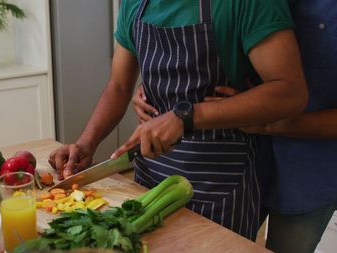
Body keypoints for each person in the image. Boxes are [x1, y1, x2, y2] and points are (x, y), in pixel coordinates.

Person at [48, 0, 308, 240]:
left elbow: (291, 93)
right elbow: (118, 85)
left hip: (221, 183)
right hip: (150, 180)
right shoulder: (136, 4)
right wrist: (86, 143)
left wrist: (187, 117)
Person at [132, 0, 336, 251]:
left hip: (308, 171)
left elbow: (289, 91)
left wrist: (271, 126)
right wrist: (159, 88)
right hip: (239, 161)